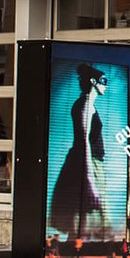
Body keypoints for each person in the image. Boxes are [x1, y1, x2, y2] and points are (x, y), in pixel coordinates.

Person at [49, 63, 111, 244]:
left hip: (87, 163)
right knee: (83, 217)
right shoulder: (85, 106)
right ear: (93, 81)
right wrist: (90, 182)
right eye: (103, 81)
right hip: (86, 164)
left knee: (82, 218)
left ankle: (73, 250)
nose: (106, 85)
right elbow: (84, 142)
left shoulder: (87, 105)